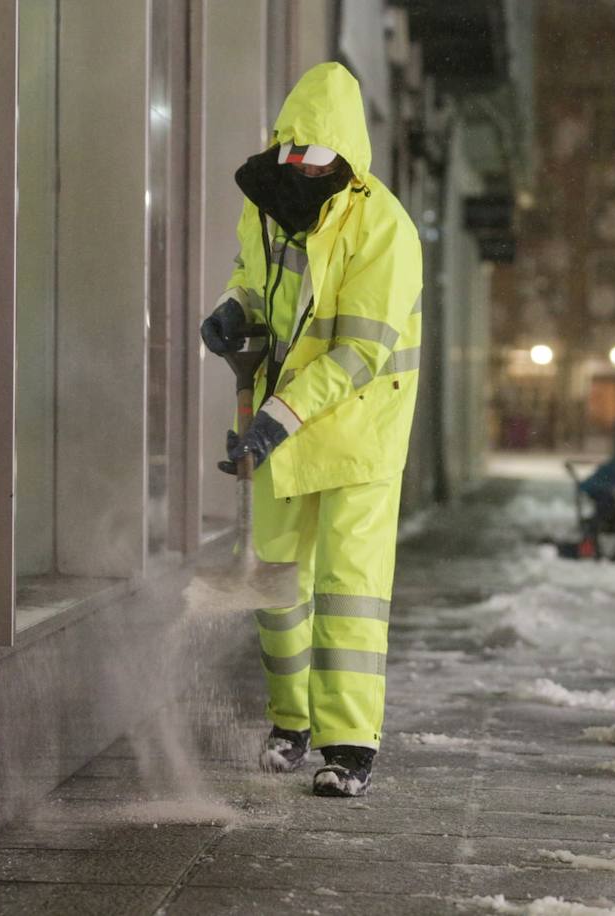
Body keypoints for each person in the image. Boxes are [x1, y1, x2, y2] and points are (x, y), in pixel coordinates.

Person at [199, 62, 422, 798]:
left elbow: (359, 355)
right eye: (291, 152)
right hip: (283, 421)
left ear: (345, 159)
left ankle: (349, 744)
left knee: (350, 589)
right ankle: (291, 723)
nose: (298, 168)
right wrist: (236, 307)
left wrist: (274, 421)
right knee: (272, 579)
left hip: (358, 432)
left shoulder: (384, 227)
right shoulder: (271, 201)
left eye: (313, 156)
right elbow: (256, 277)